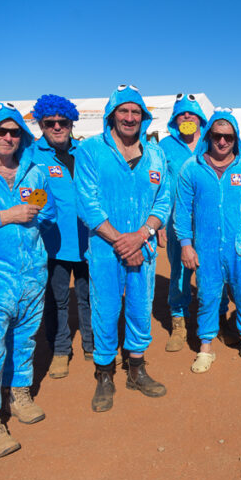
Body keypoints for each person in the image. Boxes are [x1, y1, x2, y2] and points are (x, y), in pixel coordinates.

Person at [75, 84, 171, 412]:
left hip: (143, 248)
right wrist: (121, 240)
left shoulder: (156, 155)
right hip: (106, 249)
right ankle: (104, 374)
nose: (130, 118)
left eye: (135, 112)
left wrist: (142, 234)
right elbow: (87, 203)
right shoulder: (90, 150)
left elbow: (164, 200)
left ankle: (137, 369)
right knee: (105, 309)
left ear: (143, 117)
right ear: (112, 115)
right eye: (123, 111)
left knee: (141, 307)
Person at [0, 103, 56, 458]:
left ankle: (18, 393)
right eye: (1, 131)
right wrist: (5, 217)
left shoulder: (34, 173)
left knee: (24, 340)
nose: (8, 138)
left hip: (32, 274)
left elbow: (47, 212)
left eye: (15, 132)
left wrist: (35, 220)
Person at [174, 108, 241, 373]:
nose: (222, 141)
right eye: (217, 135)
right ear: (208, 135)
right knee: (207, 295)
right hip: (206, 248)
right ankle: (205, 347)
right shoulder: (192, 168)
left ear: (235, 139)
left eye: (228, 137)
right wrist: (186, 245)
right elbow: (182, 210)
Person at [156, 93, 231, 352]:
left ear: (200, 117)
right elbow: (159, 186)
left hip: (211, 220)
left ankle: (220, 317)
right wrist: (159, 223)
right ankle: (179, 321)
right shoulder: (165, 146)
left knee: (216, 269)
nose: (187, 116)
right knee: (179, 271)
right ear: (175, 119)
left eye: (191, 112)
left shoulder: (212, 142)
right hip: (177, 221)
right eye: (181, 113)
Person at [31, 94, 92, 379]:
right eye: (49, 122)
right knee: (57, 300)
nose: (57, 127)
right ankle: (59, 350)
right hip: (52, 244)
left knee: (89, 296)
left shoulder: (85, 152)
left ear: (71, 123)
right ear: (41, 124)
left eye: (63, 122)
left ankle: (92, 343)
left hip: (89, 241)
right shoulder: (32, 155)